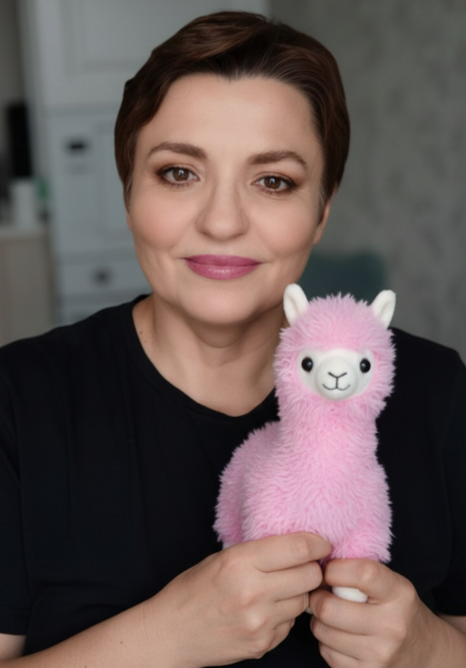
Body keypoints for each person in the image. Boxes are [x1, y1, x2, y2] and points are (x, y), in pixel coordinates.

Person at [0, 10, 465, 667]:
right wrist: (168, 635)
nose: (222, 222)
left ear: (322, 209)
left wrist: (428, 649)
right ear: (128, 190)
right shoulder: (19, 401)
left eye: (273, 181)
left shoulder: (436, 392)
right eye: (179, 173)